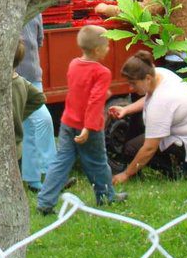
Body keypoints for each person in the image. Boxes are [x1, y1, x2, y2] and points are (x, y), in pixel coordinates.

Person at [36, 25, 127, 214]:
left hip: (68, 122)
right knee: (98, 162)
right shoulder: (102, 72)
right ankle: (106, 196)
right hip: (89, 126)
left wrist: (103, 93)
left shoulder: (74, 64)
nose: (109, 48)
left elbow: (80, 92)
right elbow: (94, 102)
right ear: (97, 50)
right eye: (107, 45)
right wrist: (88, 128)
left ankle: (45, 202)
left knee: (61, 162)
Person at [110, 51, 187, 184]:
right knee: (136, 145)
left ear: (147, 78)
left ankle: (181, 169)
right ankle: (185, 162)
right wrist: (126, 109)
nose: (131, 88)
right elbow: (149, 98)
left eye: (133, 83)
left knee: (132, 149)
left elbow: (149, 148)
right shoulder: (160, 73)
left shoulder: (161, 102)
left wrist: (126, 174)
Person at [0, 39, 46, 207]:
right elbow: (40, 98)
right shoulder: (22, 82)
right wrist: (19, 115)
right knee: (10, 184)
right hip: (16, 147)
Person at [17, 16, 56, 193]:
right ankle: (53, 175)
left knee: (30, 129)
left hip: (34, 76)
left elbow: (38, 42)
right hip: (16, 78)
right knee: (44, 120)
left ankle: (32, 179)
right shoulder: (7, 7)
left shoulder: (37, 12)